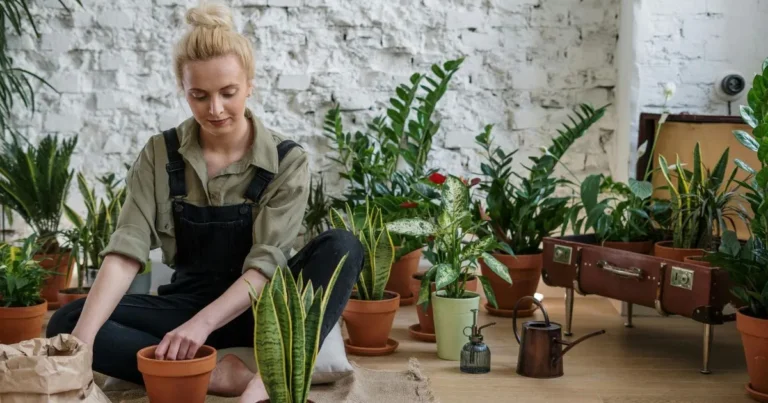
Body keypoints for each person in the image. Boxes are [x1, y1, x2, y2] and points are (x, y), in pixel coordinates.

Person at [46, 2, 363, 401]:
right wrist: (81, 348)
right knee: (69, 322)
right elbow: (126, 252)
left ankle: (268, 380)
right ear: (183, 89)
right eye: (199, 96)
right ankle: (217, 375)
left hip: (266, 310)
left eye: (228, 93)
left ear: (250, 84)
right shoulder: (160, 154)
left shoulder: (286, 160)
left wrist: (200, 327)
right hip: (187, 301)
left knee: (343, 245)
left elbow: (266, 266)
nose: (214, 110)